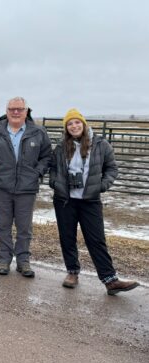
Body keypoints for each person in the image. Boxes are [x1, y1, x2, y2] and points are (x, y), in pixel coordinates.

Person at [50, 108, 139, 295]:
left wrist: (102, 185)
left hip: (90, 200)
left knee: (96, 239)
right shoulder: (60, 147)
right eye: (70, 123)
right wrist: (55, 183)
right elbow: (53, 168)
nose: (74, 126)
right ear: (66, 128)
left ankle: (110, 280)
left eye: (77, 122)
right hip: (65, 200)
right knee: (67, 237)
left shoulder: (100, 145)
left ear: (83, 124)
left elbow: (112, 169)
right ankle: (72, 272)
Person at [0, 97, 52, 278]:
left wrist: (37, 172)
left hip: (27, 187)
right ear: (7, 111)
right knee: (2, 225)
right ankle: (4, 259)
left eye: (19, 109)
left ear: (26, 111)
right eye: (12, 109)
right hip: (1, 186)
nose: (16, 112)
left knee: (24, 227)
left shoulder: (38, 132)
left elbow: (47, 156)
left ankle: (23, 261)